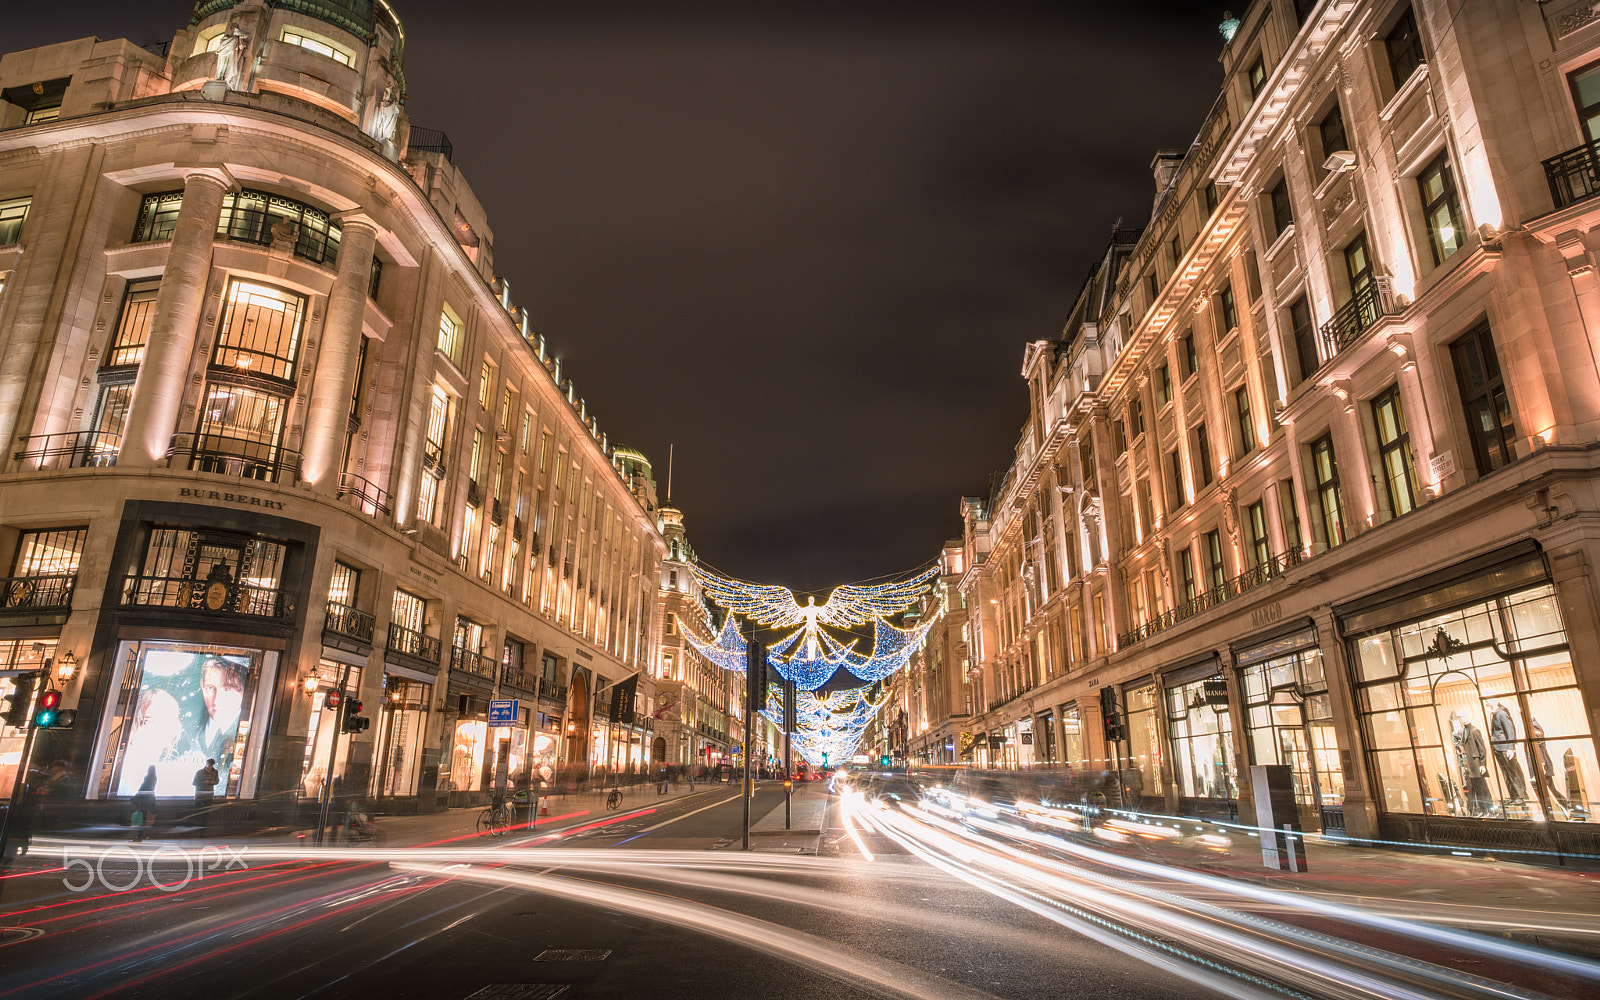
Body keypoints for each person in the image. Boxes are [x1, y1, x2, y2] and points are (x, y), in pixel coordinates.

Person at [131, 765, 157, 841]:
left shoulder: (148, 777)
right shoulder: (154, 778)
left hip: (144, 800)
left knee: (142, 818)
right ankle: (140, 835)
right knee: (144, 818)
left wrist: (136, 796)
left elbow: (143, 787)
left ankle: (139, 836)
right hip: (149, 800)